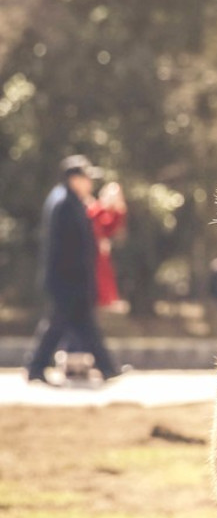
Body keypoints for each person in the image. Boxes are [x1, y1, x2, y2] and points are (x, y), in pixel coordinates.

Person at [26, 155, 121, 383]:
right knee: (56, 326)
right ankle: (35, 368)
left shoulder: (72, 202)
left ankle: (108, 368)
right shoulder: (64, 204)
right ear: (74, 179)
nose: (90, 183)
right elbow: (67, 249)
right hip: (67, 281)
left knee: (85, 326)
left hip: (73, 280)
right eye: (87, 178)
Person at [87, 181, 127, 308]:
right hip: (91, 243)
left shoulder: (117, 212)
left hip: (101, 247)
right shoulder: (97, 207)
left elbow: (114, 230)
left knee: (102, 273)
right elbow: (90, 219)